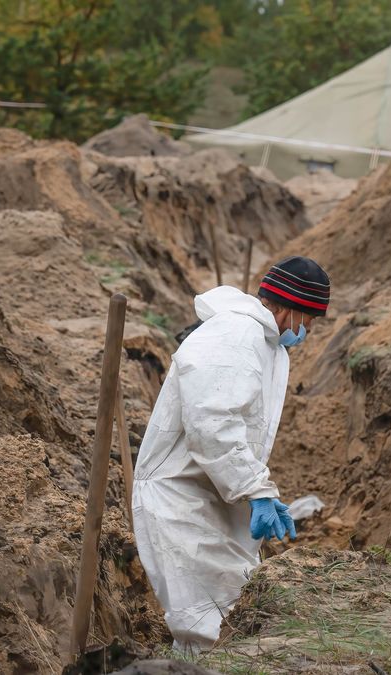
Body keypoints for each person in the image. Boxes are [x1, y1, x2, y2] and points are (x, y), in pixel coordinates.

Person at [132, 256, 330, 652]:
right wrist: (256, 489)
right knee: (206, 625)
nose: (307, 330)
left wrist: (259, 492)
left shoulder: (266, 344)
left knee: (226, 619)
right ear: (289, 307)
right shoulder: (234, 336)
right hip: (180, 500)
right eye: (308, 319)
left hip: (208, 495)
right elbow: (213, 422)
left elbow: (240, 427)